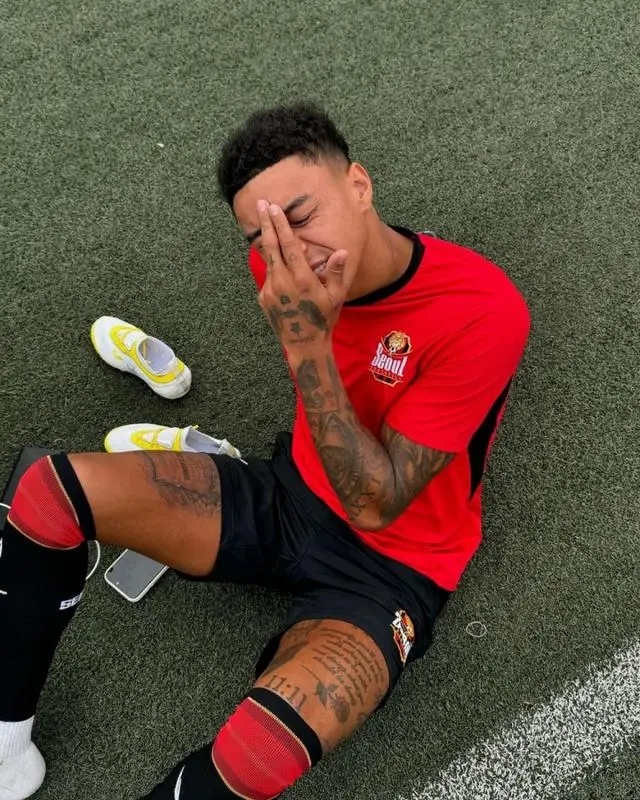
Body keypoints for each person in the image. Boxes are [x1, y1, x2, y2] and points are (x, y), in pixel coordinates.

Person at [0, 102, 531, 800]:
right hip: (290, 494)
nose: (287, 251)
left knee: (258, 754)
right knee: (45, 492)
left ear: (360, 185)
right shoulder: (278, 271)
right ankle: (6, 748)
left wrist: (306, 340)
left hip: (392, 566)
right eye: (261, 235)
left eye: (301, 215)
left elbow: (377, 504)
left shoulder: (484, 310)